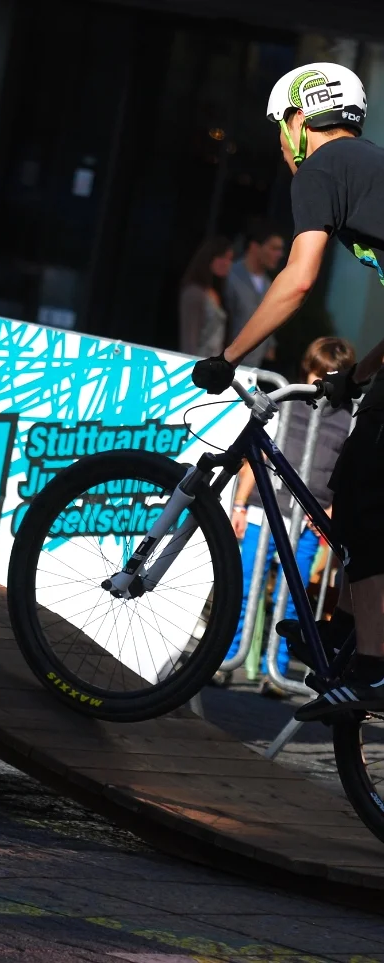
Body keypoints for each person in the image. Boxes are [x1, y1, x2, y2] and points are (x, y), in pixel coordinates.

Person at [192, 61, 384, 720]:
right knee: (357, 481)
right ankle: (349, 636)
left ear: (303, 118)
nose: (280, 141)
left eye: (281, 125)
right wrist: (357, 376)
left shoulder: (324, 169)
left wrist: (227, 357)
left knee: (361, 487)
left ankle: (373, 666)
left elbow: (297, 280)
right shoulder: (368, 168)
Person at [215, 337, 354, 697]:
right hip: (264, 510)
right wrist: (239, 506)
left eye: (328, 375)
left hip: (307, 520)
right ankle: (224, 659)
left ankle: (274, 671)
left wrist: (331, 510)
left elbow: (347, 476)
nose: (318, 382)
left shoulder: (348, 419)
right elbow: (255, 460)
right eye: (315, 372)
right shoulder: (287, 405)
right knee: (244, 588)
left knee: (293, 600)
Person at [225, 222, 285, 368]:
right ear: (254, 247)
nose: (279, 254)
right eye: (274, 248)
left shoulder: (270, 285)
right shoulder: (230, 276)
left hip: (254, 368)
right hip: (227, 364)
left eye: (280, 249)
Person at [178, 237, 234, 357]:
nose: (227, 263)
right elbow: (189, 340)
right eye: (222, 257)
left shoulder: (219, 293)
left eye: (230, 259)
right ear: (209, 258)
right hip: (199, 361)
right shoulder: (194, 293)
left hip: (214, 362)